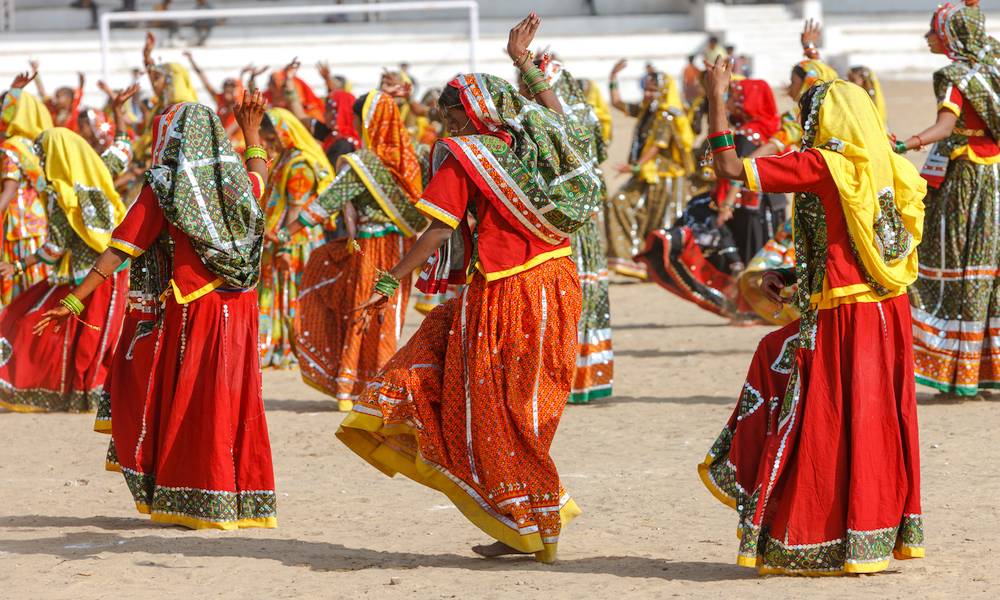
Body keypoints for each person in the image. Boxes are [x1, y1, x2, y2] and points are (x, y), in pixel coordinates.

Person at [335, 15, 601, 563]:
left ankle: (531, 516)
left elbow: (437, 230)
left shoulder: (467, 157)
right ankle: (521, 519)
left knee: (492, 410)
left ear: (472, 114)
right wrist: (523, 62)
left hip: (507, 295)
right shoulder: (539, 139)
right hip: (557, 285)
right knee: (523, 409)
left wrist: (389, 281)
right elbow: (561, 117)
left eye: (451, 117)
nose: (447, 129)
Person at [698, 55, 925, 574]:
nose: (806, 127)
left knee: (825, 412)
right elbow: (862, 242)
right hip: (886, 310)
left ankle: (812, 527)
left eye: (810, 117)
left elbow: (729, 168)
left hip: (845, 316)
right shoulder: (885, 165)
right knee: (870, 419)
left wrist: (715, 97)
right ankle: (866, 533)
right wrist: (796, 275)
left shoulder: (824, 165)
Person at [35, 95, 276, 530]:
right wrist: (251, 131)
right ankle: (231, 500)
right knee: (231, 399)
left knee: (192, 400)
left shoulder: (166, 187)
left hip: (194, 305)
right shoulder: (237, 183)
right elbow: (260, 176)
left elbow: (121, 247)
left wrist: (75, 299)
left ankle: (193, 497)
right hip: (239, 306)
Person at [267, 90, 427, 411]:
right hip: (404, 249)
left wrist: (285, 234)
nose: (354, 124)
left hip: (370, 248)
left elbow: (324, 205)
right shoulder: (414, 159)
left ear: (368, 122)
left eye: (357, 119)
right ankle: (377, 389)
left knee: (363, 312)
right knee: (388, 318)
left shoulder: (361, 165)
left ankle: (352, 386)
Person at [0, 85, 136, 413]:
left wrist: (17, 266)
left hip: (84, 277)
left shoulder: (63, 196)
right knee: (101, 336)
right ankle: (93, 394)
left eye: (44, 154)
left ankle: (81, 394)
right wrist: (118, 110)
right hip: (117, 268)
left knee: (74, 333)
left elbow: (54, 250)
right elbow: (124, 148)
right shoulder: (99, 169)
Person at [899, 0, 1000, 399]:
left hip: (965, 182)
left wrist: (905, 144)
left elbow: (945, 126)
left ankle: (957, 372)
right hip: (994, 177)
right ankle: (985, 369)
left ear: (952, 37)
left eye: (934, 30)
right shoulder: (992, 68)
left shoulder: (956, 76)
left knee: (949, 263)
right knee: (988, 267)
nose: (928, 37)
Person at [638, 80, 783, 325]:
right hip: (771, 203)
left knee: (746, 256)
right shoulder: (775, 129)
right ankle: (763, 310)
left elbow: (741, 170)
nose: (730, 102)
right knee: (761, 256)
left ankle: (751, 311)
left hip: (747, 205)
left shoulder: (748, 134)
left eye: (734, 97)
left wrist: (727, 204)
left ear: (746, 101)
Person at [527, 56, 613, 403]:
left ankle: (554, 381)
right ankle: (585, 379)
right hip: (586, 223)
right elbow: (600, 154)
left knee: (558, 300)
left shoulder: (542, 118)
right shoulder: (587, 113)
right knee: (585, 297)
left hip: (559, 221)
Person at [257, 107, 334, 369]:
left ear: (284, 133)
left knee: (294, 292)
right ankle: (279, 342)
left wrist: (285, 245)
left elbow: (296, 209)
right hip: (278, 235)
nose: (269, 144)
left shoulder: (300, 165)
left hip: (297, 239)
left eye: (271, 138)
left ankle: (296, 344)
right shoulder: (285, 158)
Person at [605, 59, 694, 279]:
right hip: (648, 174)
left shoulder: (666, 114)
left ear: (663, 91)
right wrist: (613, 78)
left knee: (659, 224)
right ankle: (634, 262)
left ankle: (657, 270)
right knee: (620, 203)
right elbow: (617, 104)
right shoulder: (647, 110)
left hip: (666, 177)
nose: (648, 94)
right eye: (646, 89)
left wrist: (636, 165)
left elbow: (657, 144)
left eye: (653, 90)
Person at [0, 73, 54, 308]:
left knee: (22, 289)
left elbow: (10, 190)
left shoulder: (10, 147)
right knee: (40, 284)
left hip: (18, 224)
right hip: (40, 223)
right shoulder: (34, 146)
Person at [184, 51, 245, 150]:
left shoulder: (240, 110)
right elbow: (206, 83)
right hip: (222, 143)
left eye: (230, 92)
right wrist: (192, 62)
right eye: (225, 91)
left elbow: (226, 133)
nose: (226, 95)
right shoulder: (220, 100)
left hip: (236, 148)